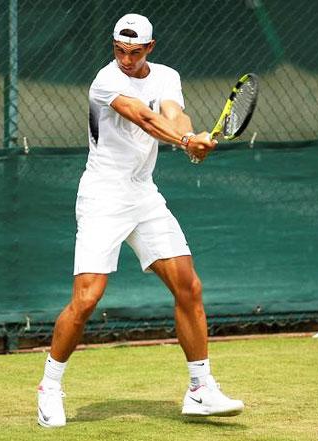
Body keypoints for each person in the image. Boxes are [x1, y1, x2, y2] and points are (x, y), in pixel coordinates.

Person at [36, 13, 244, 428]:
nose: (125, 59)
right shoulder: (105, 81)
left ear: (150, 48)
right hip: (103, 195)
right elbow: (145, 118)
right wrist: (186, 140)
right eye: (119, 50)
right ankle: (49, 386)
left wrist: (190, 139)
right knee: (87, 298)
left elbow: (172, 113)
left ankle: (200, 389)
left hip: (143, 193)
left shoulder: (166, 75)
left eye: (134, 52)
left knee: (188, 285)